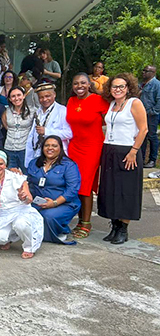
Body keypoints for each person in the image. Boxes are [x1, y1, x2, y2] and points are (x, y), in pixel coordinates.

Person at [98, 73, 148, 244]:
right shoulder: (112, 104)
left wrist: (134, 151)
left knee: (126, 190)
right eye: (114, 86)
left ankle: (123, 230)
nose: (117, 89)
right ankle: (114, 226)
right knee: (110, 189)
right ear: (109, 89)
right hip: (109, 149)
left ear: (128, 88)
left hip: (127, 150)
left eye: (121, 86)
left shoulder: (134, 103)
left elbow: (143, 129)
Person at [65, 73, 109, 239]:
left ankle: (86, 223)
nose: (79, 86)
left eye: (83, 83)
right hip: (74, 147)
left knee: (86, 186)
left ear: (89, 84)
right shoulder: (71, 101)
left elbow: (111, 122)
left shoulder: (99, 100)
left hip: (92, 147)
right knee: (75, 184)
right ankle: (79, 220)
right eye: (76, 83)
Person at [0, 150, 44, 259]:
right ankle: (10, 237)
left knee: (20, 224)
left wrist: (24, 197)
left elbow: (29, 199)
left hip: (21, 212)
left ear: (5, 165)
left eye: (1, 164)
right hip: (4, 215)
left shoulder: (16, 177)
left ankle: (29, 247)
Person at [27, 135, 81, 245]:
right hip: (38, 201)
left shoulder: (69, 165)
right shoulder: (34, 163)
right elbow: (27, 182)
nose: (50, 148)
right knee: (24, 214)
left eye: (54, 146)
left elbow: (72, 190)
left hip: (63, 203)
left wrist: (54, 203)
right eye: (46, 145)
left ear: (60, 148)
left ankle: (60, 232)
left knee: (47, 216)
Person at [24, 83, 72, 168]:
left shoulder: (62, 111)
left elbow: (69, 133)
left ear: (54, 95)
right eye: (41, 97)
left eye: (47, 96)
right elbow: (32, 136)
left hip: (56, 157)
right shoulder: (38, 112)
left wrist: (47, 131)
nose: (44, 99)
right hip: (38, 155)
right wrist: (28, 160)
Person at [2, 86, 35, 173]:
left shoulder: (32, 111)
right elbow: (6, 125)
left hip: (24, 149)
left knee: (26, 175)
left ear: (23, 96)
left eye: (19, 95)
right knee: (10, 175)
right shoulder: (7, 111)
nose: (16, 98)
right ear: (9, 99)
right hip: (9, 148)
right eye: (13, 96)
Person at [140, 65, 160, 168]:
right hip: (141, 115)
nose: (143, 72)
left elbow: (159, 101)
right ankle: (141, 159)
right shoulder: (142, 84)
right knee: (142, 136)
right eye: (143, 70)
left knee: (152, 136)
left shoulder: (157, 84)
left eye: (146, 71)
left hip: (151, 116)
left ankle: (152, 160)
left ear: (153, 73)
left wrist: (152, 112)